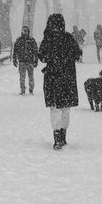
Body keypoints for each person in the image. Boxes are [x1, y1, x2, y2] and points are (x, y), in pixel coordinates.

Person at [39, 12, 82, 150]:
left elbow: (42, 57)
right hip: (67, 77)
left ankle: (57, 137)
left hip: (53, 77)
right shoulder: (68, 38)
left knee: (55, 108)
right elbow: (77, 53)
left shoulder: (48, 39)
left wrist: (53, 58)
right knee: (65, 108)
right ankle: (63, 135)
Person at [12, 25, 38, 95]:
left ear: (28, 31)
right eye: (24, 30)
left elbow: (35, 51)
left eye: (26, 30)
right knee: (22, 77)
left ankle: (31, 89)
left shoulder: (31, 40)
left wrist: (36, 60)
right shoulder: (19, 40)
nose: (25, 32)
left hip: (30, 61)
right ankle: (23, 89)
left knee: (31, 76)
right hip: (22, 61)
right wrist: (14, 59)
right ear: (22, 32)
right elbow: (15, 51)